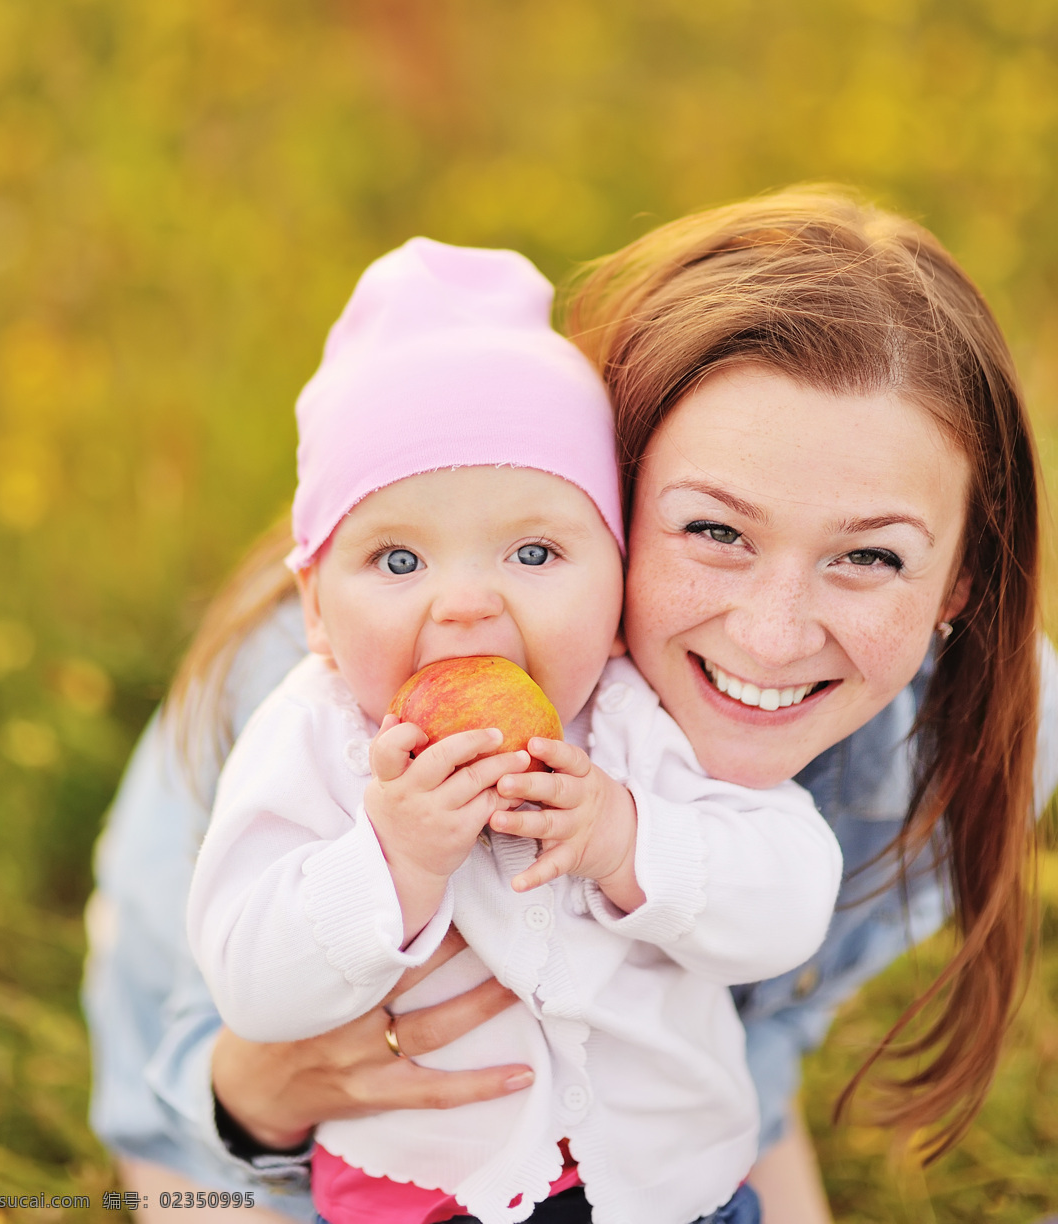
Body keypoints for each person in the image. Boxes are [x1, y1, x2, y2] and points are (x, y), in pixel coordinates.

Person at [82, 188, 1058, 1224]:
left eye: (871, 555)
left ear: (962, 580)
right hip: (289, 1158)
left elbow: (759, 1008)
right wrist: (272, 1076)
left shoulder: (970, 734)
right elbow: (183, 1068)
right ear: (622, 501)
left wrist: (631, 848)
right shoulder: (332, 689)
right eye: (714, 530)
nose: (772, 636)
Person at [183, 236, 843, 1224]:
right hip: (427, 1202)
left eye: (534, 550)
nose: (464, 604)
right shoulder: (312, 744)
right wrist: (392, 862)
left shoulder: (630, 719)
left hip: (672, 1195)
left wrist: (629, 840)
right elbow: (252, 986)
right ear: (314, 607)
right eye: (398, 560)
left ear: (620, 578)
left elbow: (786, 902)